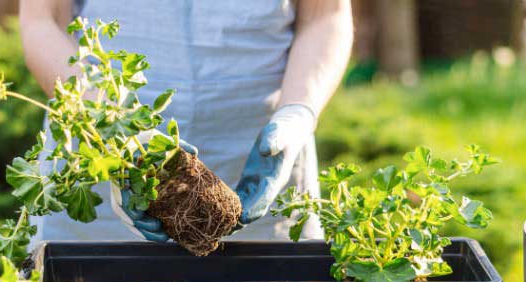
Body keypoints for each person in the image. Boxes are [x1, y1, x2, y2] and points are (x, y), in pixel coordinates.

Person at [19, 0, 353, 244]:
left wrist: (296, 115)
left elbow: (325, 15)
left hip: (259, 158)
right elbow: (43, 20)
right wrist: (114, 136)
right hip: (102, 155)